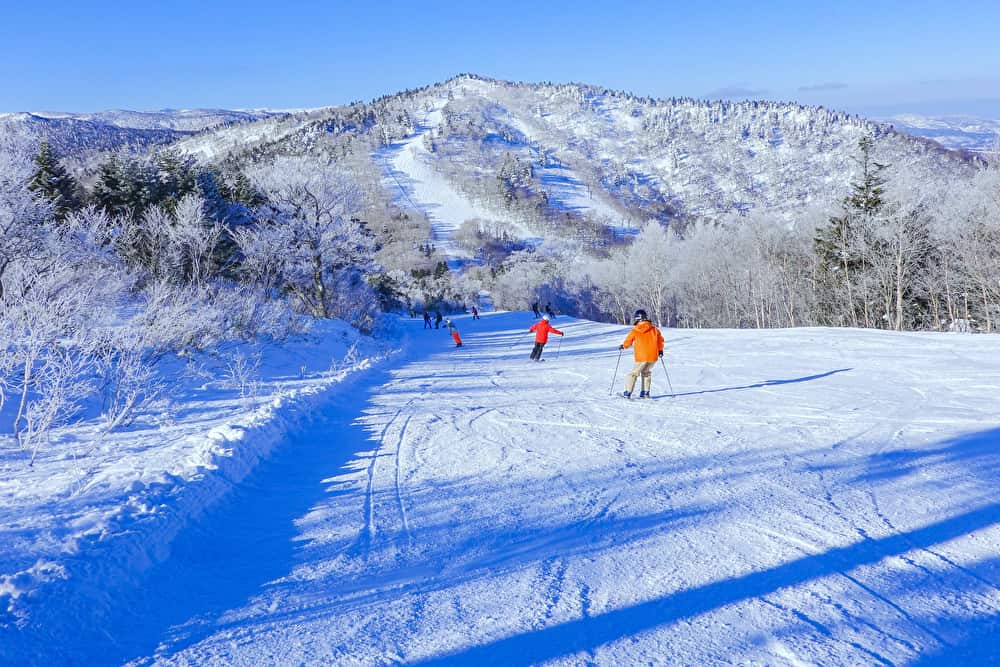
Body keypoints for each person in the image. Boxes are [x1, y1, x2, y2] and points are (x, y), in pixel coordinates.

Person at [619, 309, 664, 399]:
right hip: (653, 356)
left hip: (641, 357)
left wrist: (623, 346)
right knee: (646, 372)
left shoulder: (635, 330)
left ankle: (628, 392)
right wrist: (660, 350)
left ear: (637, 319)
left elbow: (628, 341)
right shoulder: (654, 329)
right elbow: (660, 341)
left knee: (633, 374)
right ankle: (645, 392)